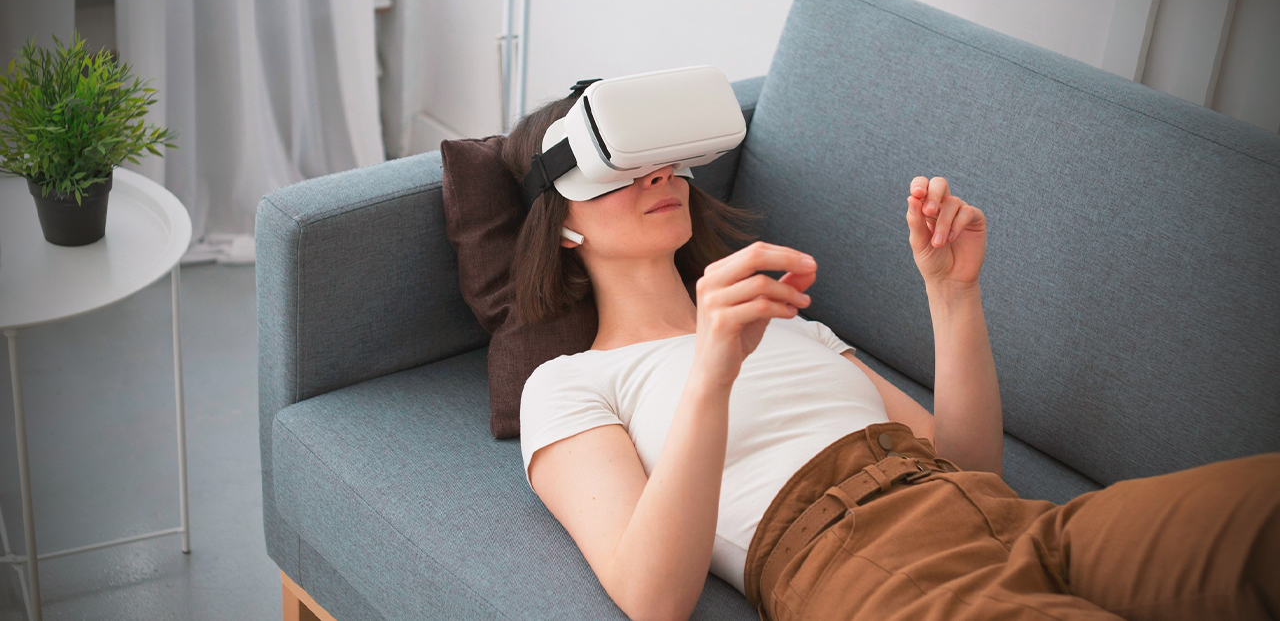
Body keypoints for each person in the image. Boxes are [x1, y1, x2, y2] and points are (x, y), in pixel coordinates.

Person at [505, 94, 1280, 621]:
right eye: (615, 167)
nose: (657, 175)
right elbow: (652, 597)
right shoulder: (569, 384)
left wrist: (952, 295)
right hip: (862, 564)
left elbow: (971, 466)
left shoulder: (788, 324)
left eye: (663, 159)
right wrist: (711, 371)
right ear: (561, 223)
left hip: (1016, 523)